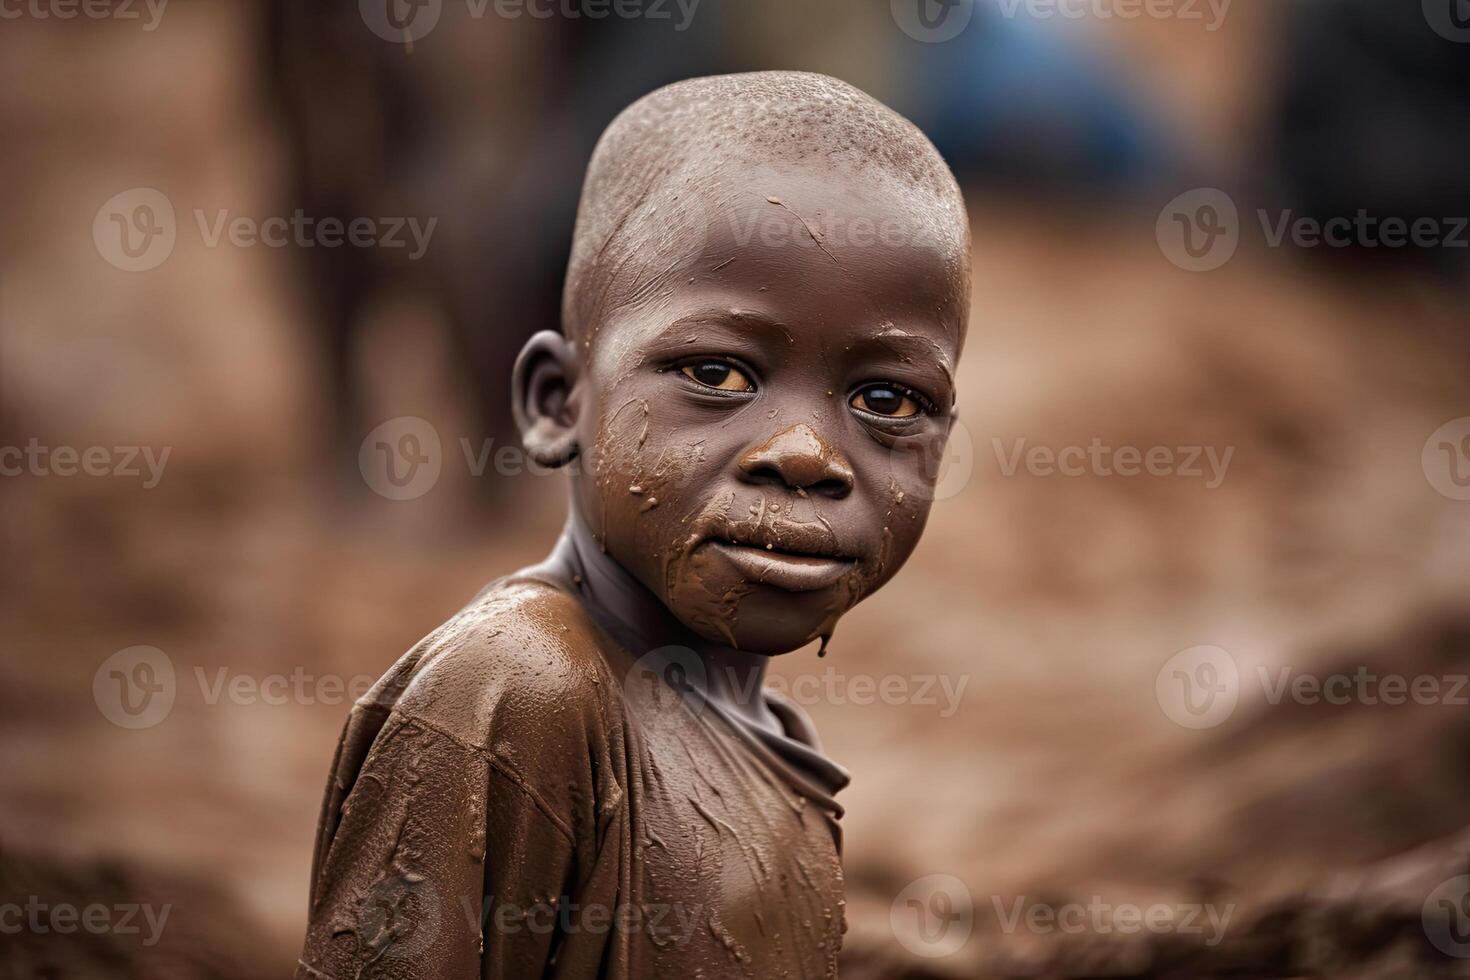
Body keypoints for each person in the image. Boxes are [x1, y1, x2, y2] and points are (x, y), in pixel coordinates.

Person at [296, 70, 971, 979]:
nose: (810, 453)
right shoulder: (519, 697)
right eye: (718, 376)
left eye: (887, 398)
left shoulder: (771, 737)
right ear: (556, 403)